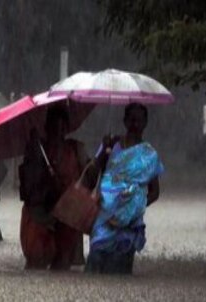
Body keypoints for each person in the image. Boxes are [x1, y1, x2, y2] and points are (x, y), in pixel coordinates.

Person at [85, 103, 163, 274]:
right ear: (125, 121)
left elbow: (155, 192)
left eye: (139, 120)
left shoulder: (149, 155)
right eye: (132, 120)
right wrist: (102, 153)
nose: (135, 124)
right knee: (95, 261)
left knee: (120, 270)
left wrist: (133, 207)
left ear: (145, 123)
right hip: (105, 217)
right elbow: (93, 174)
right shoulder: (111, 145)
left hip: (130, 225)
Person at [19, 106, 89, 270]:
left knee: (62, 267)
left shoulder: (75, 150)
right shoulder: (36, 150)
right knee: (36, 263)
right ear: (46, 127)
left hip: (67, 217)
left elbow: (88, 178)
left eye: (62, 127)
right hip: (40, 216)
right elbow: (28, 186)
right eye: (54, 127)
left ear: (67, 128)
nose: (58, 132)